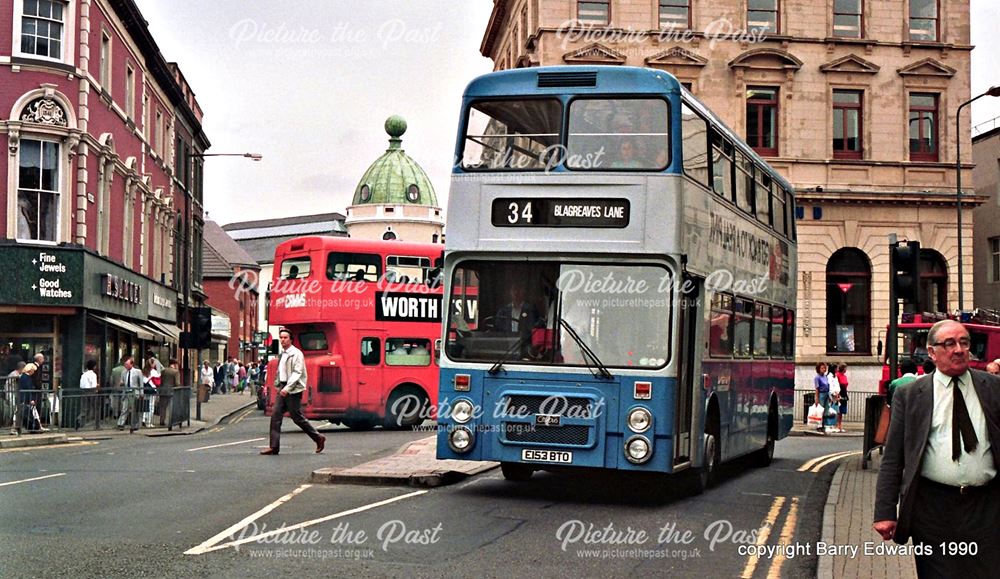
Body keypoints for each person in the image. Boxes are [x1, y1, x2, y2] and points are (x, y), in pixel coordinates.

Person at [873, 320, 1000, 576]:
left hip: (986, 508)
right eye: (949, 344)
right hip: (932, 510)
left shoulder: (993, 388)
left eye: (964, 343)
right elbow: (893, 458)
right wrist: (885, 511)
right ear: (931, 352)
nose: (959, 349)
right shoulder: (910, 395)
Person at [260, 329, 325, 456]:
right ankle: (274, 447)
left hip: (293, 388)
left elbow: (297, 372)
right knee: (275, 415)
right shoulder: (283, 354)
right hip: (283, 387)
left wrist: (287, 388)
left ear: (291, 339)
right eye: (281, 337)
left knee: (297, 417)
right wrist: (280, 386)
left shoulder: (296, 354)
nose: (282, 340)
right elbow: (281, 372)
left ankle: (318, 438)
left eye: (285, 337)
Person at [117, 356, 144, 432]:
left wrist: (141, 392)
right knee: (124, 408)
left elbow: (141, 383)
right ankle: (121, 423)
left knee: (134, 409)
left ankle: (135, 425)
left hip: (134, 392)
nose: (125, 366)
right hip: (126, 392)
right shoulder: (123, 372)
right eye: (125, 364)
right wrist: (121, 383)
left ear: (131, 364)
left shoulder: (138, 372)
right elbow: (122, 381)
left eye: (127, 364)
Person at [77, 359, 99, 429]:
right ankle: (96, 425)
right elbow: (94, 385)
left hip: (84, 392)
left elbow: (81, 385)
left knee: (84, 408)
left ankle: (79, 419)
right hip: (91, 392)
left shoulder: (84, 374)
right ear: (94, 366)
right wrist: (97, 387)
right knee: (95, 408)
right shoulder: (93, 375)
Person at [18, 363, 40, 432]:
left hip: (24, 398)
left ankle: (38, 426)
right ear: (30, 370)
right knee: (25, 413)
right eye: (33, 370)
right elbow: (28, 389)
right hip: (25, 398)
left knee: (33, 413)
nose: (33, 372)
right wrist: (31, 399)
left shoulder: (24, 377)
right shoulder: (26, 378)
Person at [158, 358, 179, 427]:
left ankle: (162, 421)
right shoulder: (175, 372)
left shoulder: (163, 371)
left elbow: (161, 381)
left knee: (163, 407)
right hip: (172, 391)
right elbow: (177, 383)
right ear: (175, 364)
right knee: (172, 407)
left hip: (163, 391)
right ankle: (171, 421)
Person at [814, 362, 831, 433]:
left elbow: (828, 386)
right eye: (822, 368)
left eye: (824, 368)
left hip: (826, 394)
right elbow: (817, 388)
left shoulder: (825, 376)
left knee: (825, 410)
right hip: (821, 394)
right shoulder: (817, 377)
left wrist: (829, 396)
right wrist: (817, 398)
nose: (824, 369)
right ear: (818, 369)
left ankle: (823, 424)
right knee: (820, 410)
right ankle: (819, 426)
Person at [834, 363, 849, 433]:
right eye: (845, 368)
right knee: (838, 410)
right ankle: (836, 425)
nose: (846, 369)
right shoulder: (837, 375)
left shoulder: (845, 376)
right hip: (839, 393)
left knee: (842, 411)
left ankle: (840, 425)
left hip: (844, 393)